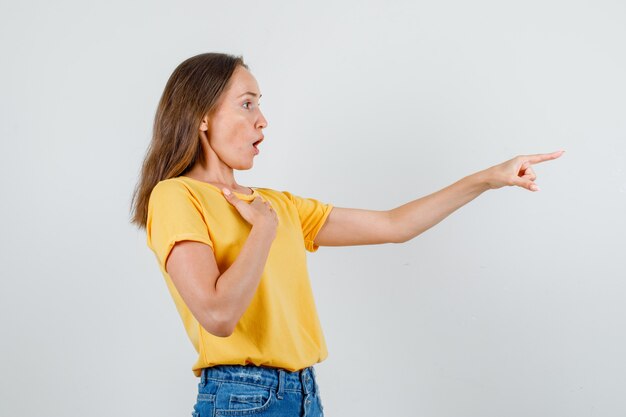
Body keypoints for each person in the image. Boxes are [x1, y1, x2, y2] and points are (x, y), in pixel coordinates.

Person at [129, 52, 564, 417]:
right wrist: (263, 230)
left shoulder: (275, 204)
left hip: (304, 395)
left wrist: (490, 178)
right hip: (241, 396)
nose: (262, 120)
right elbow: (218, 315)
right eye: (247, 104)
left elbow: (395, 225)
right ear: (203, 117)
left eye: (260, 104)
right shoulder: (177, 196)